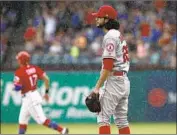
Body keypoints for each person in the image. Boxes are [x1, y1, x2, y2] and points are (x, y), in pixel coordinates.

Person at [91, 5, 131, 134]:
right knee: (121, 121)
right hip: (124, 80)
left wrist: (97, 87)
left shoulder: (110, 36)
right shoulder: (118, 35)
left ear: (107, 19)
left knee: (103, 117)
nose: (96, 19)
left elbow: (108, 66)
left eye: (99, 16)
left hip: (115, 79)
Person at [13, 51, 69, 134]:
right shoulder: (34, 68)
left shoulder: (19, 72)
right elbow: (46, 79)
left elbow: (17, 87)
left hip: (29, 98)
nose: (17, 60)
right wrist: (46, 92)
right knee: (22, 121)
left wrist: (16, 86)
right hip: (32, 95)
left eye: (18, 59)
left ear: (21, 60)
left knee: (42, 120)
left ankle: (62, 130)